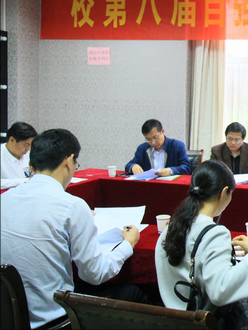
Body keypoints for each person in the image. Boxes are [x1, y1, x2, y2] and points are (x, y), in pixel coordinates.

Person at [1, 129, 141, 329]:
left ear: (32, 165)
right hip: (55, 321)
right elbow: (95, 274)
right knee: (134, 293)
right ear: (69, 161)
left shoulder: (4, 199)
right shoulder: (72, 206)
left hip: (10, 317)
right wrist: (127, 244)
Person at [155, 160, 248, 328]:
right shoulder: (216, 234)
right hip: (203, 322)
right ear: (223, 193)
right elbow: (220, 292)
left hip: (174, 321)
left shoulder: (170, 228)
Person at [125, 119, 191, 176]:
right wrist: (133, 166)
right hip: (149, 184)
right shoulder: (143, 148)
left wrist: (170, 170)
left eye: (155, 138)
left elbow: (186, 167)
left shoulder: (177, 146)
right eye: (148, 139)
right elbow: (129, 165)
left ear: (163, 132)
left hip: (170, 184)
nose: (153, 142)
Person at [1, 121, 37, 189]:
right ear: (12, 140)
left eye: (30, 145)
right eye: (26, 145)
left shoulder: (30, 154)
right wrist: (23, 182)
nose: (28, 149)